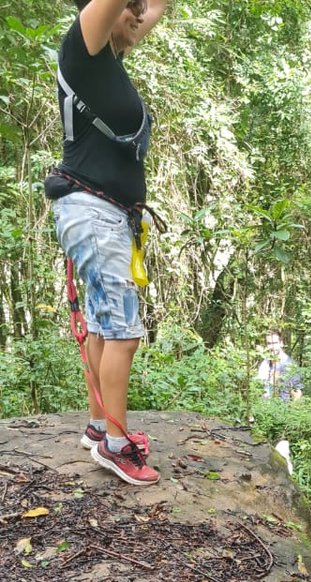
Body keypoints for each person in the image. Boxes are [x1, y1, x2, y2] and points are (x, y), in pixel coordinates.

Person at [45, 0, 169, 487]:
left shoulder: (110, 63)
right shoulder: (83, 49)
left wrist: (146, 8)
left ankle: (100, 427)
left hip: (105, 213)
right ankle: (117, 447)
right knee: (123, 330)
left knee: (102, 324)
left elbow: (155, 8)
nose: (137, 15)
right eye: (128, 8)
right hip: (92, 210)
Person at [256, 331, 303, 402]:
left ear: (281, 343)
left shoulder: (289, 364)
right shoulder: (265, 363)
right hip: (264, 408)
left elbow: (297, 391)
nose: (271, 347)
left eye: (274, 343)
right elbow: (259, 387)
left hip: (282, 409)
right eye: (269, 343)